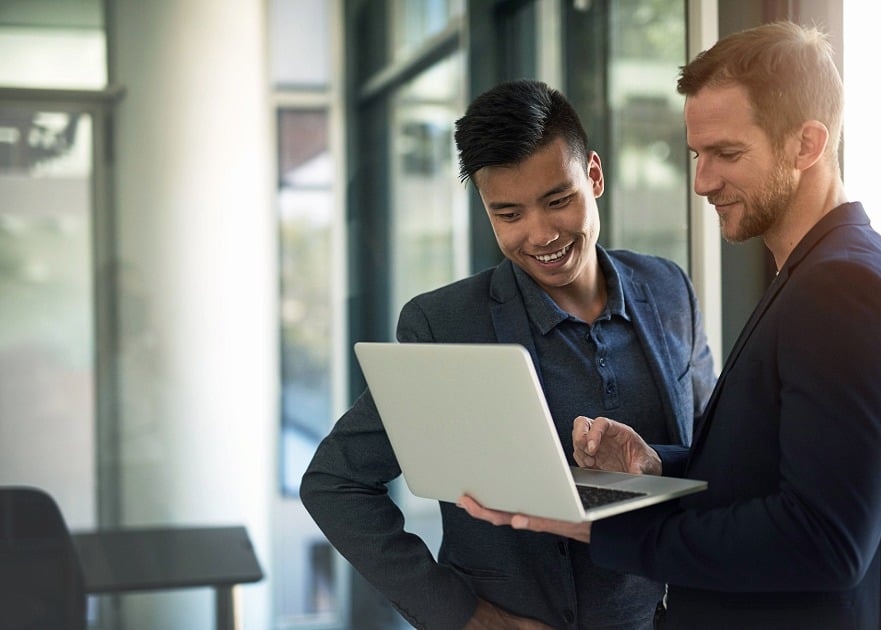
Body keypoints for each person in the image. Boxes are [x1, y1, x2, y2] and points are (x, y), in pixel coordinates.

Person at [460, 22, 881, 630]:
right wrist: (657, 467)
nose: (702, 181)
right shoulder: (822, 276)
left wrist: (601, 525)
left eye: (727, 154)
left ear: (807, 144)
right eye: (696, 154)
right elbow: (780, 475)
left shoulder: (844, 291)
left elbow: (823, 541)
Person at [300, 79, 716, 630]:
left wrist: (653, 463)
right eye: (509, 214)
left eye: (557, 200)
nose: (540, 234)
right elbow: (335, 483)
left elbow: (716, 456)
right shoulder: (445, 326)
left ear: (594, 175)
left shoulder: (669, 291)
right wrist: (464, 615)